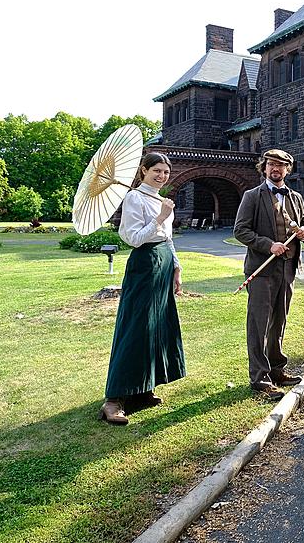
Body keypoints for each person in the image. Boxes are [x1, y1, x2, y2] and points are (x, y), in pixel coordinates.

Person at [100, 152, 185, 425]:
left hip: (162, 264)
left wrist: (176, 266)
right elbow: (133, 239)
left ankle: (144, 388)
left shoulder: (161, 200)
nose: (161, 176)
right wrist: (160, 217)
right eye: (156, 171)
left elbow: (168, 239)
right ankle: (113, 400)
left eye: (165, 172)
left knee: (156, 326)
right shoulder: (134, 198)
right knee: (135, 328)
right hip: (144, 264)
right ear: (143, 171)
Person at [234, 149, 304, 399]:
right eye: (271, 165)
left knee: (279, 320)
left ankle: (277, 369)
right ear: (264, 168)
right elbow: (241, 231)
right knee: (259, 323)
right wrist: (268, 245)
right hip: (262, 269)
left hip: (287, 268)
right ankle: (259, 377)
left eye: (281, 165)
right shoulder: (252, 196)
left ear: (288, 169)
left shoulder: (297, 198)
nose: (275, 169)